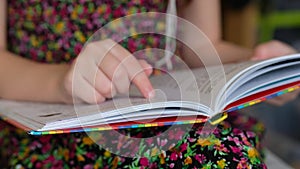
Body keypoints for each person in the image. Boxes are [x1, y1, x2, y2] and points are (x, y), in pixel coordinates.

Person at [0, 0, 296, 168]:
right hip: (47, 129)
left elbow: (200, 47)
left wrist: (260, 65)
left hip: (159, 114)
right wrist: (61, 82)